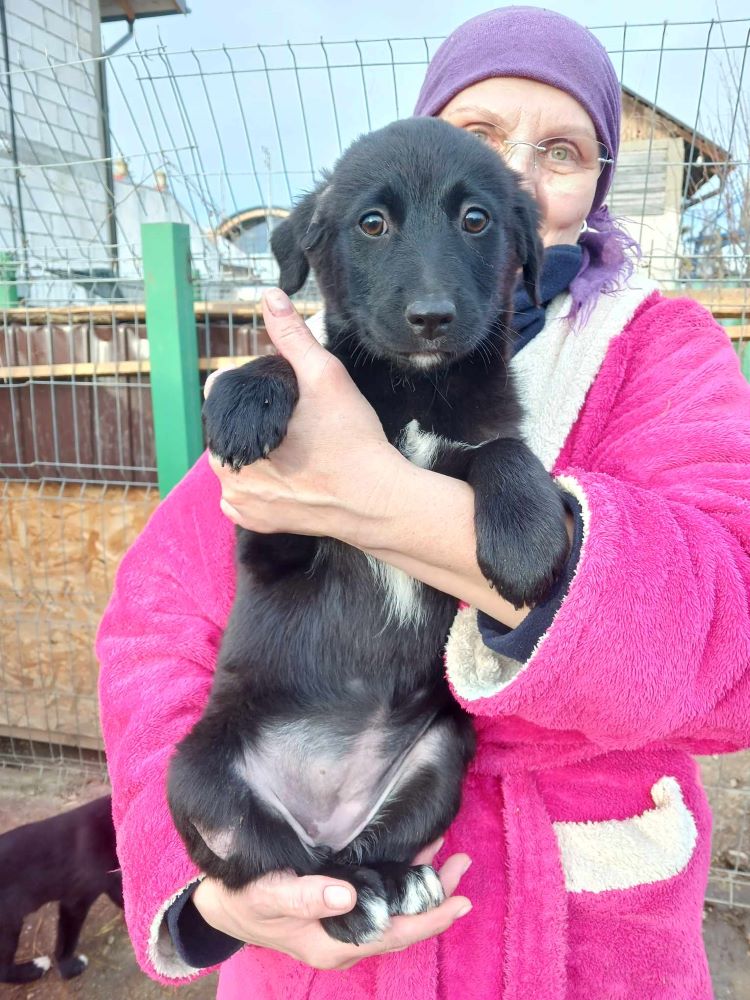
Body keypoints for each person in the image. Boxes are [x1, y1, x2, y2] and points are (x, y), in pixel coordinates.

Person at [97, 7, 750, 999]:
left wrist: (389, 503)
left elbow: (733, 635)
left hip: (577, 937)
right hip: (316, 937)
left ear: (549, 216)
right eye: (480, 136)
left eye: (562, 150)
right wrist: (218, 898)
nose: (521, 169)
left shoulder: (662, 352)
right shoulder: (318, 377)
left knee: (438, 747)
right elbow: (155, 629)